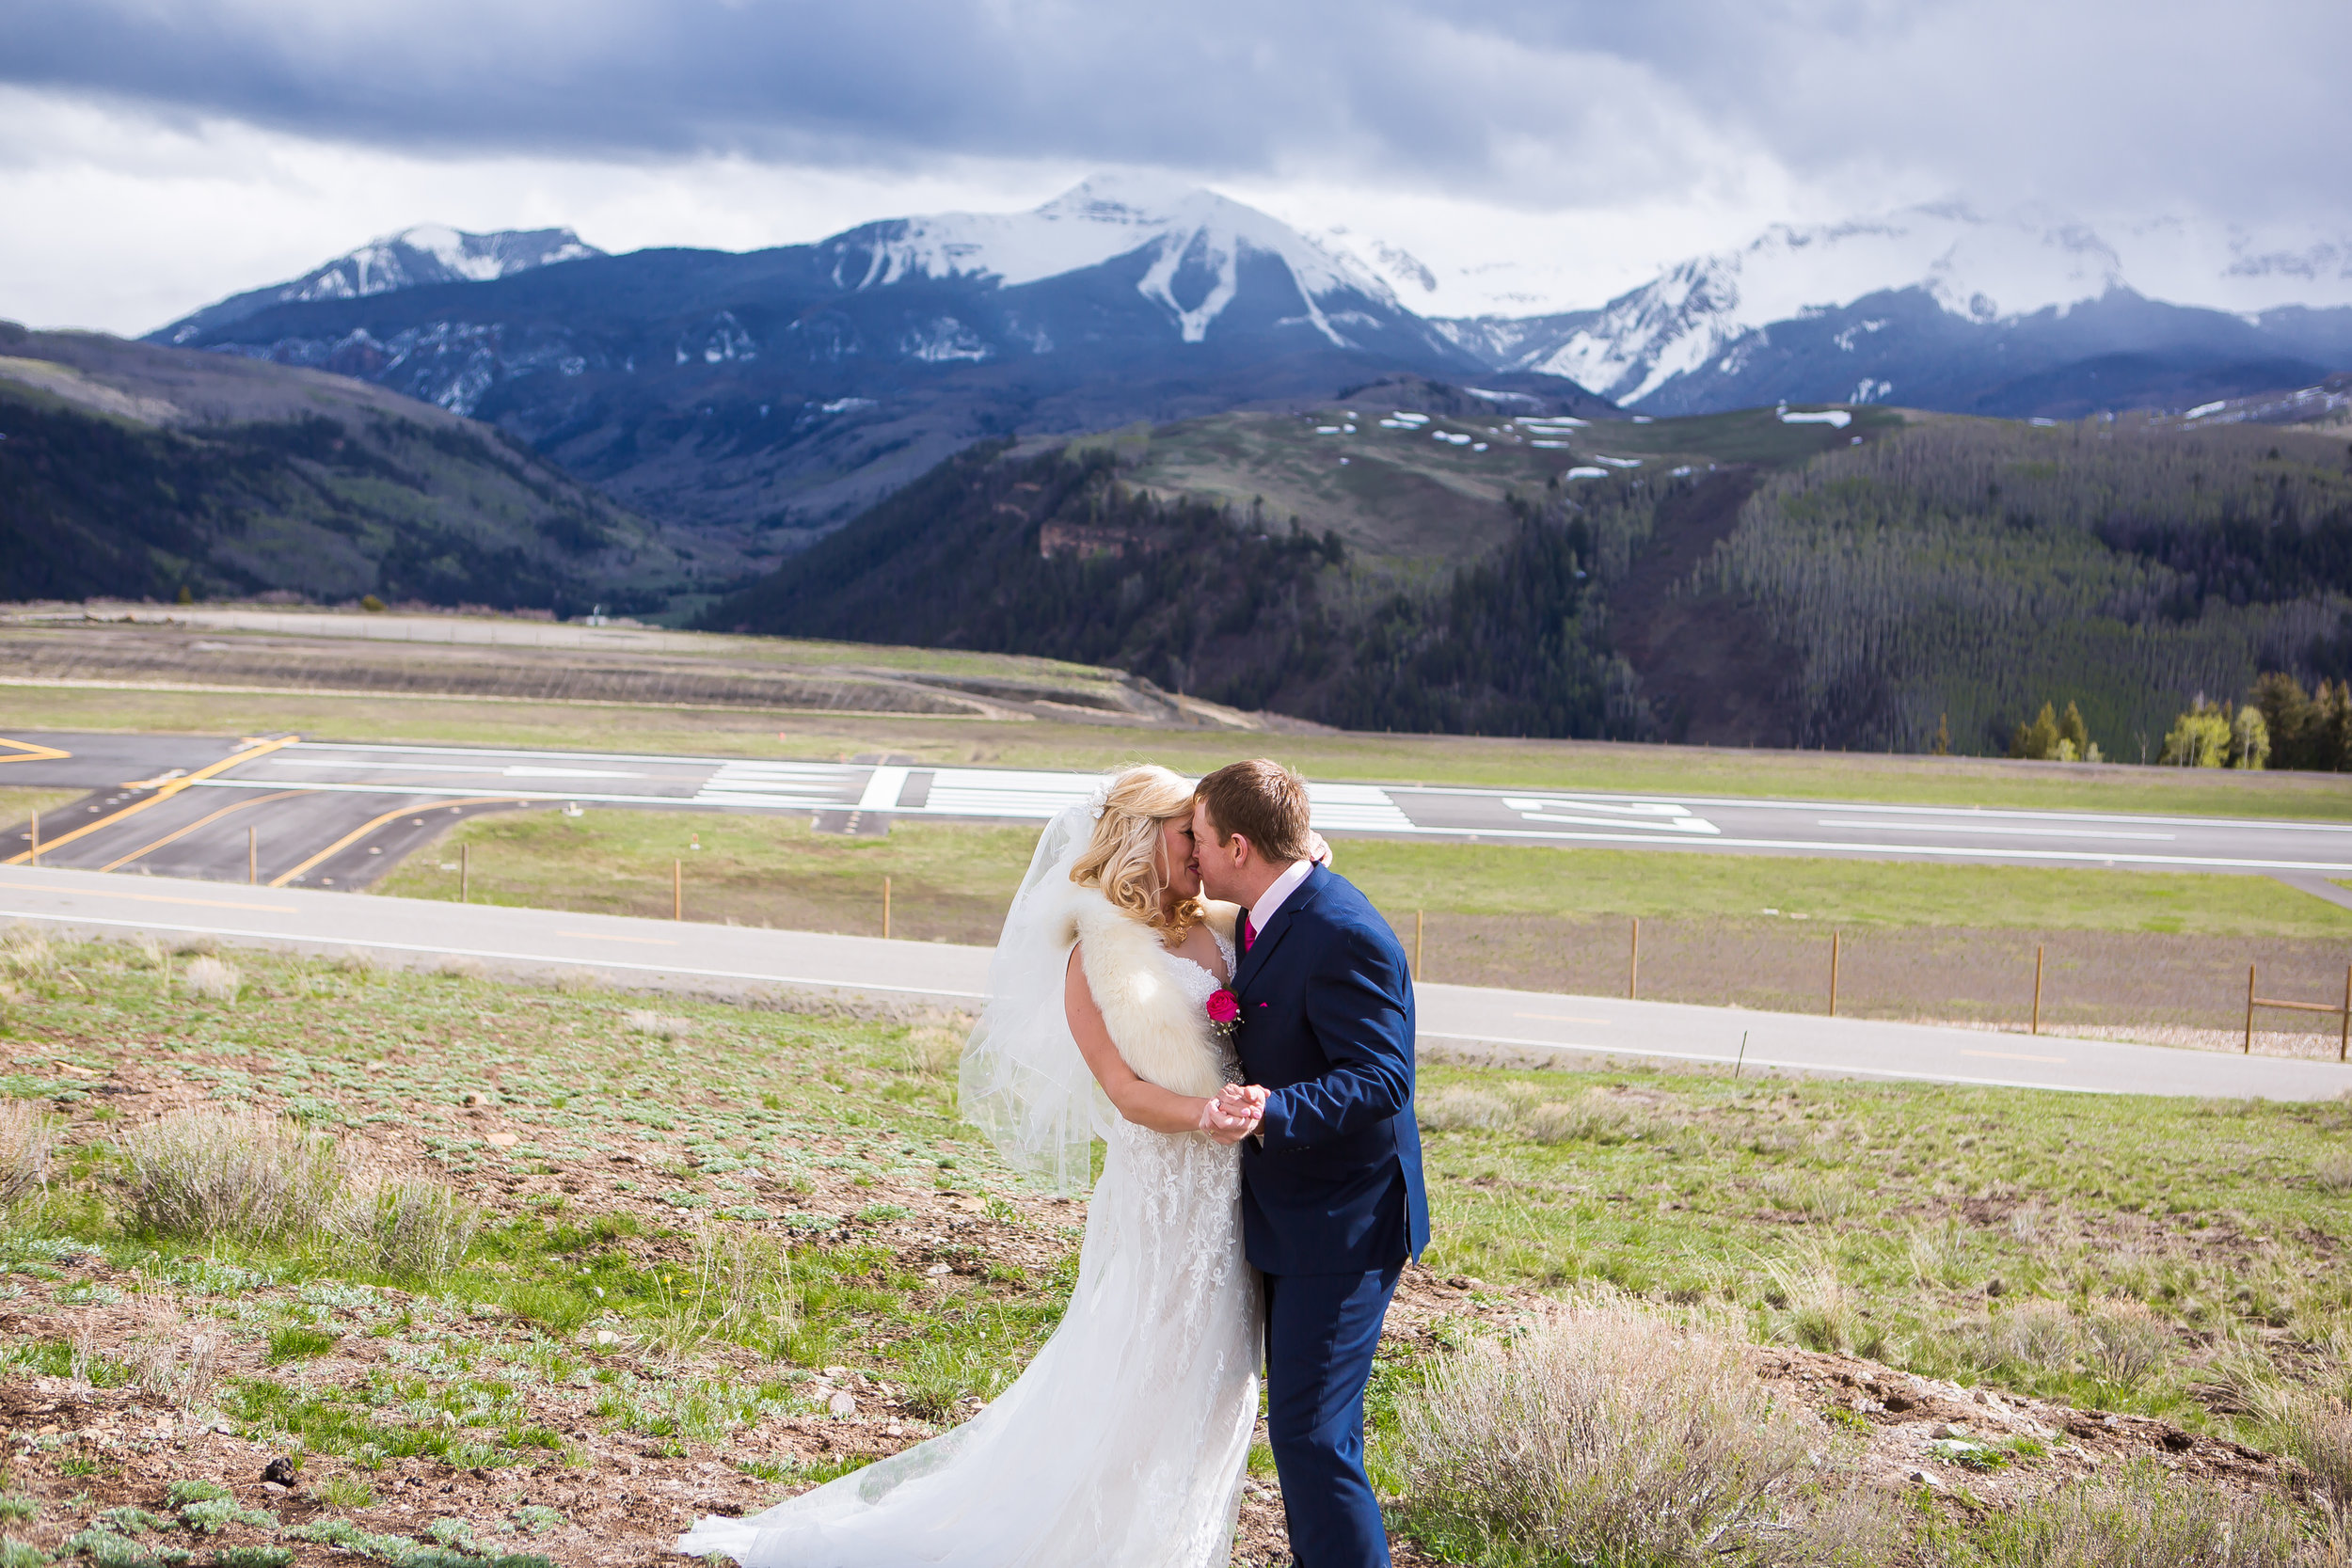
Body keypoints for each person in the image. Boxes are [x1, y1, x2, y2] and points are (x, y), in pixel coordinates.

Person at [677, 765, 1267, 1568]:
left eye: (1204, 833)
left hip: (1226, 1193)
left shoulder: (1223, 926)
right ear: (1142, 835)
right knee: (1142, 1379)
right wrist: (1204, 1113)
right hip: (1162, 1191)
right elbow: (1126, 1090)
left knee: (1219, 1379)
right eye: (1185, 832)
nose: (1200, 848)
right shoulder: (1091, 956)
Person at [1194, 759, 1428, 1568]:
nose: (1191, 853)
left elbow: (1383, 1077)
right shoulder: (1269, 904)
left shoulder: (1344, 930)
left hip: (1345, 1221)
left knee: (1310, 1436)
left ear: (1235, 843)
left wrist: (1274, 1108)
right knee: (1323, 1431)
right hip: (1296, 1213)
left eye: (1196, 838)